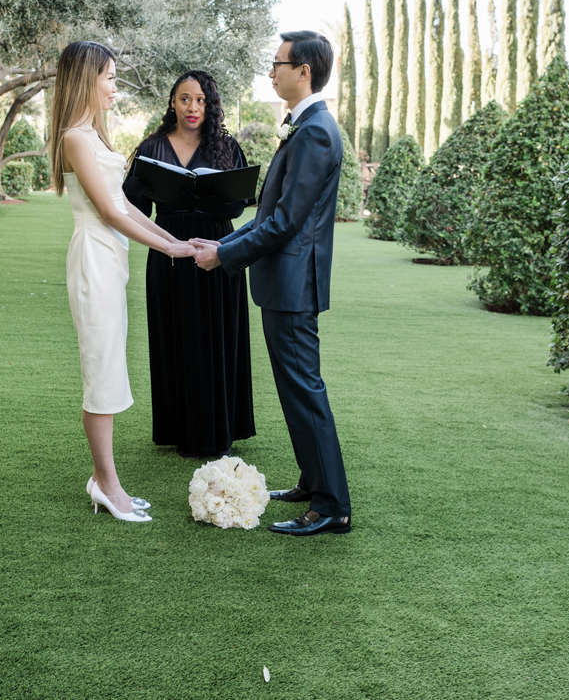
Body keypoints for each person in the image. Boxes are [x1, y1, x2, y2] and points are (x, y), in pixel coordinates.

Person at [191, 31, 352, 536]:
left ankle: (331, 507)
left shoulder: (317, 132)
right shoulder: (304, 128)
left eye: (277, 63)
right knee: (294, 388)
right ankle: (312, 479)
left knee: (305, 390)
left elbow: (285, 223)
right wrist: (225, 243)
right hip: (282, 282)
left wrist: (224, 255)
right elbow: (271, 215)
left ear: (303, 70)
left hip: (292, 284)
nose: (271, 71)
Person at [50, 41, 197, 523]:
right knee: (103, 374)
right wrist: (171, 250)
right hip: (93, 259)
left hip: (111, 260)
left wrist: (175, 238)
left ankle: (105, 481)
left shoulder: (94, 136)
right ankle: (108, 486)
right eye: (109, 77)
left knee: (109, 367)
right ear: (85, 80)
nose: (116, 86)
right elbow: (110, 212)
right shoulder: (75, 136)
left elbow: (127, 206)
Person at [123, 70, 256, 460]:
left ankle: (220, 428)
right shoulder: (150, 147)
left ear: (210, 105)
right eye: (184, 99)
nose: (192, 107)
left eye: (200, 100)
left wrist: (214, 194)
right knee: (174, 337)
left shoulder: (226, 147)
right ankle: (179, 428)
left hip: (218, 246)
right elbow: (132, 206)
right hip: (168, 251)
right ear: (172, 103)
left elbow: (239, 203)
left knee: (217, 336)